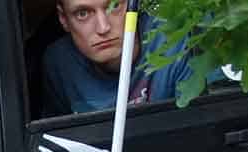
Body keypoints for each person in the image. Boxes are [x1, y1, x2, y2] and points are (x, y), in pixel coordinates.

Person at [42, 0, 195, 116]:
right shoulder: (60, 63)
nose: (103, 28)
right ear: (63, 18)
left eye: (114, 6)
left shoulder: (174, 41)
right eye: (83, 14)